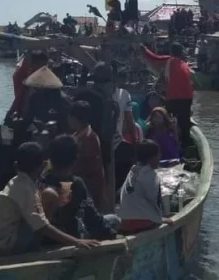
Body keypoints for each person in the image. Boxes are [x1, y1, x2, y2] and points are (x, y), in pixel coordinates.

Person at [0, 142, 99, 256]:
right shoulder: (25, 189)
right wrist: (76, 241)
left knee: (45, 197)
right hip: (5, 245)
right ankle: (34, 248)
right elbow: (42, 227)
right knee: (50, 195)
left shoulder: (18, 181)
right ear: (42, 166)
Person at [40, 135, 119, 241]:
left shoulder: (42, 180)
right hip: (69, 235)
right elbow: (91, 217)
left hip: (45, 237)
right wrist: (112, 235)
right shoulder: (76, 184)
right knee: (114, 220)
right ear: (75, 159)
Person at [90, 61, 133, 212]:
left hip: (104, 144)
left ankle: (112, 195)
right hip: (103, 147)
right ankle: (110, 198)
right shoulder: (106, 101)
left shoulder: (85, 94)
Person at [140, 42, 194, 149]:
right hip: (188, 98)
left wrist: (144, 49)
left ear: (171, 52)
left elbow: (154, 58)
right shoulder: (184, 64)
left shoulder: (170, 59)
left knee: (165, 119)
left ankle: (167, 142)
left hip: (174, 98)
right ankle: (186, 146)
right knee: (185, 123)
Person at [118, 139, 174, 233]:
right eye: (158, 154)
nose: (160, 156)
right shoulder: (151, 176)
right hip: (142, 223)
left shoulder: (133, 170)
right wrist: (161, 218)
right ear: (151, 158)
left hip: (124, 221)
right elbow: (154, 202)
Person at [68, 101, 105, 203]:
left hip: (88, 189)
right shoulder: (77, 135)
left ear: (75, 118)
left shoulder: (89, 138)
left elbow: (86, 167)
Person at [6, 51, 49, 120]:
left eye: (46, 66)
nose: (45, 69)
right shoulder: (22, 76)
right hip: (22, 113)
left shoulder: (44, 77)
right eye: (42, 66)